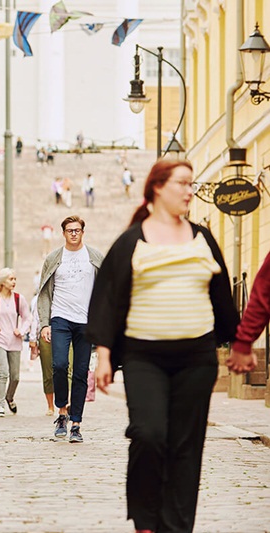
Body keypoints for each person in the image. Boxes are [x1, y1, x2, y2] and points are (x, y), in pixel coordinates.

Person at [87, 159, 239, 533]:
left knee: (187, 446)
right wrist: (105, 354)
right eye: (182, 183)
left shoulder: (203, 237)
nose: (190, 191)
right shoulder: (131, 240)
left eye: (192, 184)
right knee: (150, 433)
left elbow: (222, 298)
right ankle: (145, 519)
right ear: (158, 187)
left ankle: (176, 527)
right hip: (144, 357)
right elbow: (108, 298)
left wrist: (240, 343)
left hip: (197, 358)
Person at [37, 215, 104, 443]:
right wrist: (45, 323)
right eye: (69, 230)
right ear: (63, 233)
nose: (73, 233)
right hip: (60, 317)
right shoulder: (54, 258)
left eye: (77, 230)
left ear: (82, 232)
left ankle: (76, 423)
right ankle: (61, 412)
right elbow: (44, 292)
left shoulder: (94, 257)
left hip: (86, 320)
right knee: (59, 365)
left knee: (80, 372)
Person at [0, 269, 31, 417]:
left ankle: (10, 397)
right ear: (3, 282)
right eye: (10, 279)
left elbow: (27, 318)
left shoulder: (18, 299)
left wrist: (21, 330)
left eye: (15, 279)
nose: (14, 282)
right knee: (3, 373)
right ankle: (0, 405)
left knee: (15, 377)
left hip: (14, 340)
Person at [28, 293, 54, 415]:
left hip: (66, 335)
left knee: (66, 370)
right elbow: (35, 319)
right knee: (48, 373)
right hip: (45, 337)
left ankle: (65, 404)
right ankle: (50, 406)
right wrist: (33, 338)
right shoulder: (39, 298)